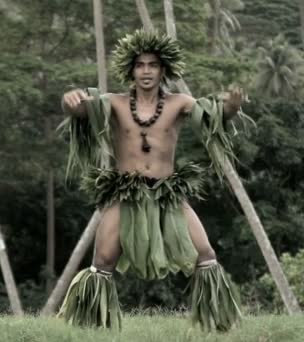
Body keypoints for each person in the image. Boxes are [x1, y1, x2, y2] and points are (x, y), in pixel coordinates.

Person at [57, 29, 245, 332]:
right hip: (126, 191)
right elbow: (80, 110)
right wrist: (69, 101)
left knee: (205, 253)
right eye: (140, 65)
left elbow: (213, 113)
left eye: (153, 65)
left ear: (163, 70)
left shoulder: (178, 103)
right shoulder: (115, 103)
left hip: (167, 193)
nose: (146, 71)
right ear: (131, 69)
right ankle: (90, 328)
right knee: (102, 259)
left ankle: (219, 324)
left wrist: (232, 108)